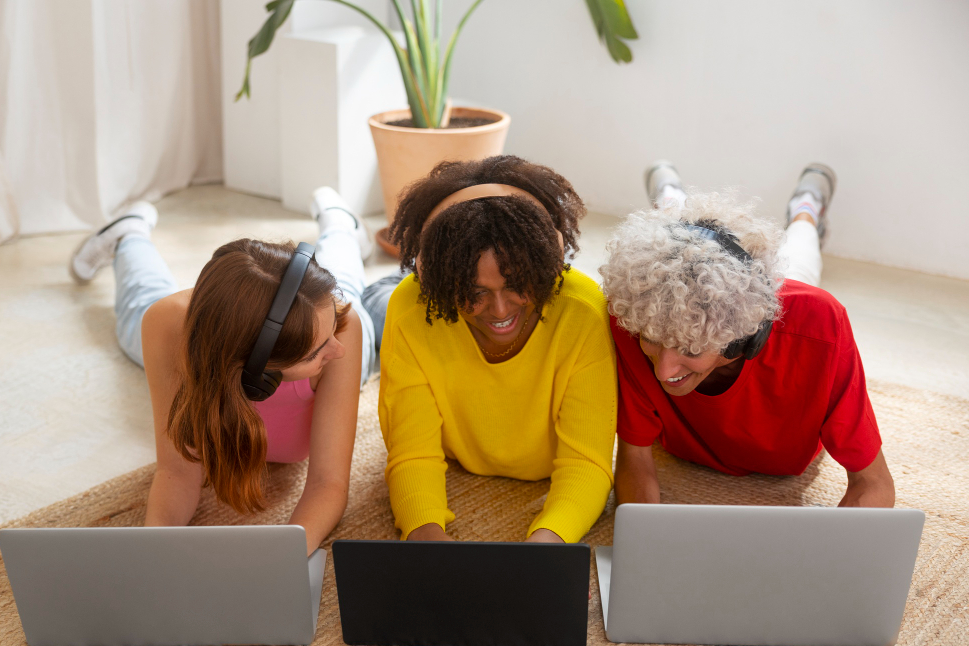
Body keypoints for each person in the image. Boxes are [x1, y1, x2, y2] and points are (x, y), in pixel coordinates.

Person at [69, 187, 390, 554]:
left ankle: (340, 226)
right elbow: (176, 472)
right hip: (208, 334)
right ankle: (129, 236)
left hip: (334, 310)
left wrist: (280, 559)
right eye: (314, 351)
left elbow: (328, 485)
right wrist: (155, 549)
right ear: (255, 369)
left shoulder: (343, 333)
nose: (338, 350)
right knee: (136, 317)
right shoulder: (170, 326)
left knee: (346, 289)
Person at [600, 162, 895, 508]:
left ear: (742, 339)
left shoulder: (819, 326)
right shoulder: (638, 316)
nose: (663, 372)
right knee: (678, 239)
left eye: (688, 347)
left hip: (775, 298)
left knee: (797, 255)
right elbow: (634, 460)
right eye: (652, 340)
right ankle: (669, 195)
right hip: (689, 265)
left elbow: (874, 484)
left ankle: (806, 207)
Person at [377, 155, 617, 544]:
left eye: (516, 285)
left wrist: (547, 543)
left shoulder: (585, 311)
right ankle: (336, 222)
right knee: (357, 302)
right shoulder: (410, 311)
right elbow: (412, 454)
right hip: (387, 302)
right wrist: (425, 538)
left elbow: (587, 463)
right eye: (475, 293)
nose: (501, 311)